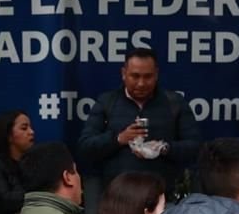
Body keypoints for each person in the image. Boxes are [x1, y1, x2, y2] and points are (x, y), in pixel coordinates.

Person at [77, 47, 201, 195]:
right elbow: (85, 147)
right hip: (118, 197)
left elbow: (195, 147)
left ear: (156, 75)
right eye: (135, 76)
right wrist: (118, 139)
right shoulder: (107, 102)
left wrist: (164, 148)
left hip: (162, 197)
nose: (141, 83)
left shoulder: (174, 103)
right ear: (123, 74)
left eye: (147, 76)